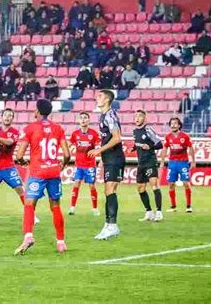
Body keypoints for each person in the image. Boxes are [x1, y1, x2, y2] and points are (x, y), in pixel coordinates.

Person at [14, 99, 70, 255]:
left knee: (29, 204)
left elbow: (19, 155)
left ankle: (28, 236)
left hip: (37, 171)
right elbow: (67, 154)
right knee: (55, 206)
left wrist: (23, 161)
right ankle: (61, 242)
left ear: (37, 111)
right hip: (53, 171)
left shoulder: (30, 128)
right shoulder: (58, 128)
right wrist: (62, 165)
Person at [88, 90, 125, 240]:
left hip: (115, 157)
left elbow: (117, 138)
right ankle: (108, 224)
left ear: (108, 100)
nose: (97, 98)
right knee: (107, 190)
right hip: (109, 157)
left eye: (100, 96)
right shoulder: (103, 115)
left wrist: (99, 150)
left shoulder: (110, 115)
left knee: (110, 190)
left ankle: (113, 225)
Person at [0, 109, 28, 213]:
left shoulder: (14, 132)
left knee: (20, 189)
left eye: (10, 115)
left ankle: (31, 214)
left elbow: (9, 142)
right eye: (5, 115)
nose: (7, 117)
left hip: (8, 167)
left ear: (12, 119)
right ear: (1, 117)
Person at [131, 110, 164, 222]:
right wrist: (134, 148)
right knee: (140, 188)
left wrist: (150, 147)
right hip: (141, 163)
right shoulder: (135, 131)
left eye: (139, 116)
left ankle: (159, 212)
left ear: (145, 119)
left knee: (154, 185)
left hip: (150, 161)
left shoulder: (148, 130)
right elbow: (137, 143)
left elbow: (160, 144)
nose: (137, 118)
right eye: (136, 116)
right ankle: (149, 212)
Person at [160, 117, 196, 213]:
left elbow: (191, 148)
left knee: (186, 183)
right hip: (172, 163)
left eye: (175, 123)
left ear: (179, 125)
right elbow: (165, 149)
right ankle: (173, 206)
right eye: (171, 124)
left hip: (183, 163)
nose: (173, 125)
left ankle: (188, 206)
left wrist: (193, 161)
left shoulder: (185, 136)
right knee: (171, 184)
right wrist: (162, 161)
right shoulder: (168, 137)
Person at [68, 112, 101, 216]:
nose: (83, 120)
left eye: (85, 118)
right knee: (76, 183)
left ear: (89, 120)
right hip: (79, 165)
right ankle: (72, 207)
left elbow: (98, 146)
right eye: (81, 118)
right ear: (78, 120)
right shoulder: (75, 134)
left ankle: (95, 208)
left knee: (91, 186)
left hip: (90, 165)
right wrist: (71, 147)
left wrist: (96, 150)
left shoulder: (94, 134)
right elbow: (70, 144)